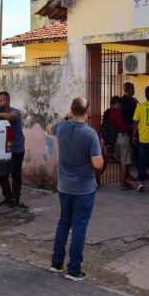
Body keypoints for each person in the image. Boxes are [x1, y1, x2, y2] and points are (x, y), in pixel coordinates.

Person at [46, 97, 104, 281]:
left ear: (71, 110)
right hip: (84, 188)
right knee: (79, 227)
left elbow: (48, 128)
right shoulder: (90, 134)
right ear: (87, 113)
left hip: (64, 187)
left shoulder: (61, 128)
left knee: (64, 222)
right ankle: (74, 270)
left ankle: (56, 263)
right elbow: (97, 163)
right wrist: (101, 156)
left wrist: (65, 117)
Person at [132, 85, 149, 193]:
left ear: (145, 95)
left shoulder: (140, 106)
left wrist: (134, 135)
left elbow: (135, 122)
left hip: (143, 138)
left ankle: (140, 182)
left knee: (142, 161)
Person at [103, 96, 132, 190]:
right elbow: (123, 126)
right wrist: (129, 128)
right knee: (124, 161)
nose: (121, 106)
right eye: (120, 104)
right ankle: (123, 184)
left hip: (114, 139)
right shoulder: (116, 113)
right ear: (117, 103)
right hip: (122, 136)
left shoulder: (107, 112)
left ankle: (122, 181)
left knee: (120, 160)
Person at [120, 82, 138, 181]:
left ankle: (128, 172)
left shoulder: (133, 100)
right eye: (133, 89)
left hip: (132, 128)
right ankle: (125, 174)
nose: (134, 90)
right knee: (126, 152)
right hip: (126, 128)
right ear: (128, 90)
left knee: (131, 151)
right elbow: (123, 112)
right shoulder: (123, 100)